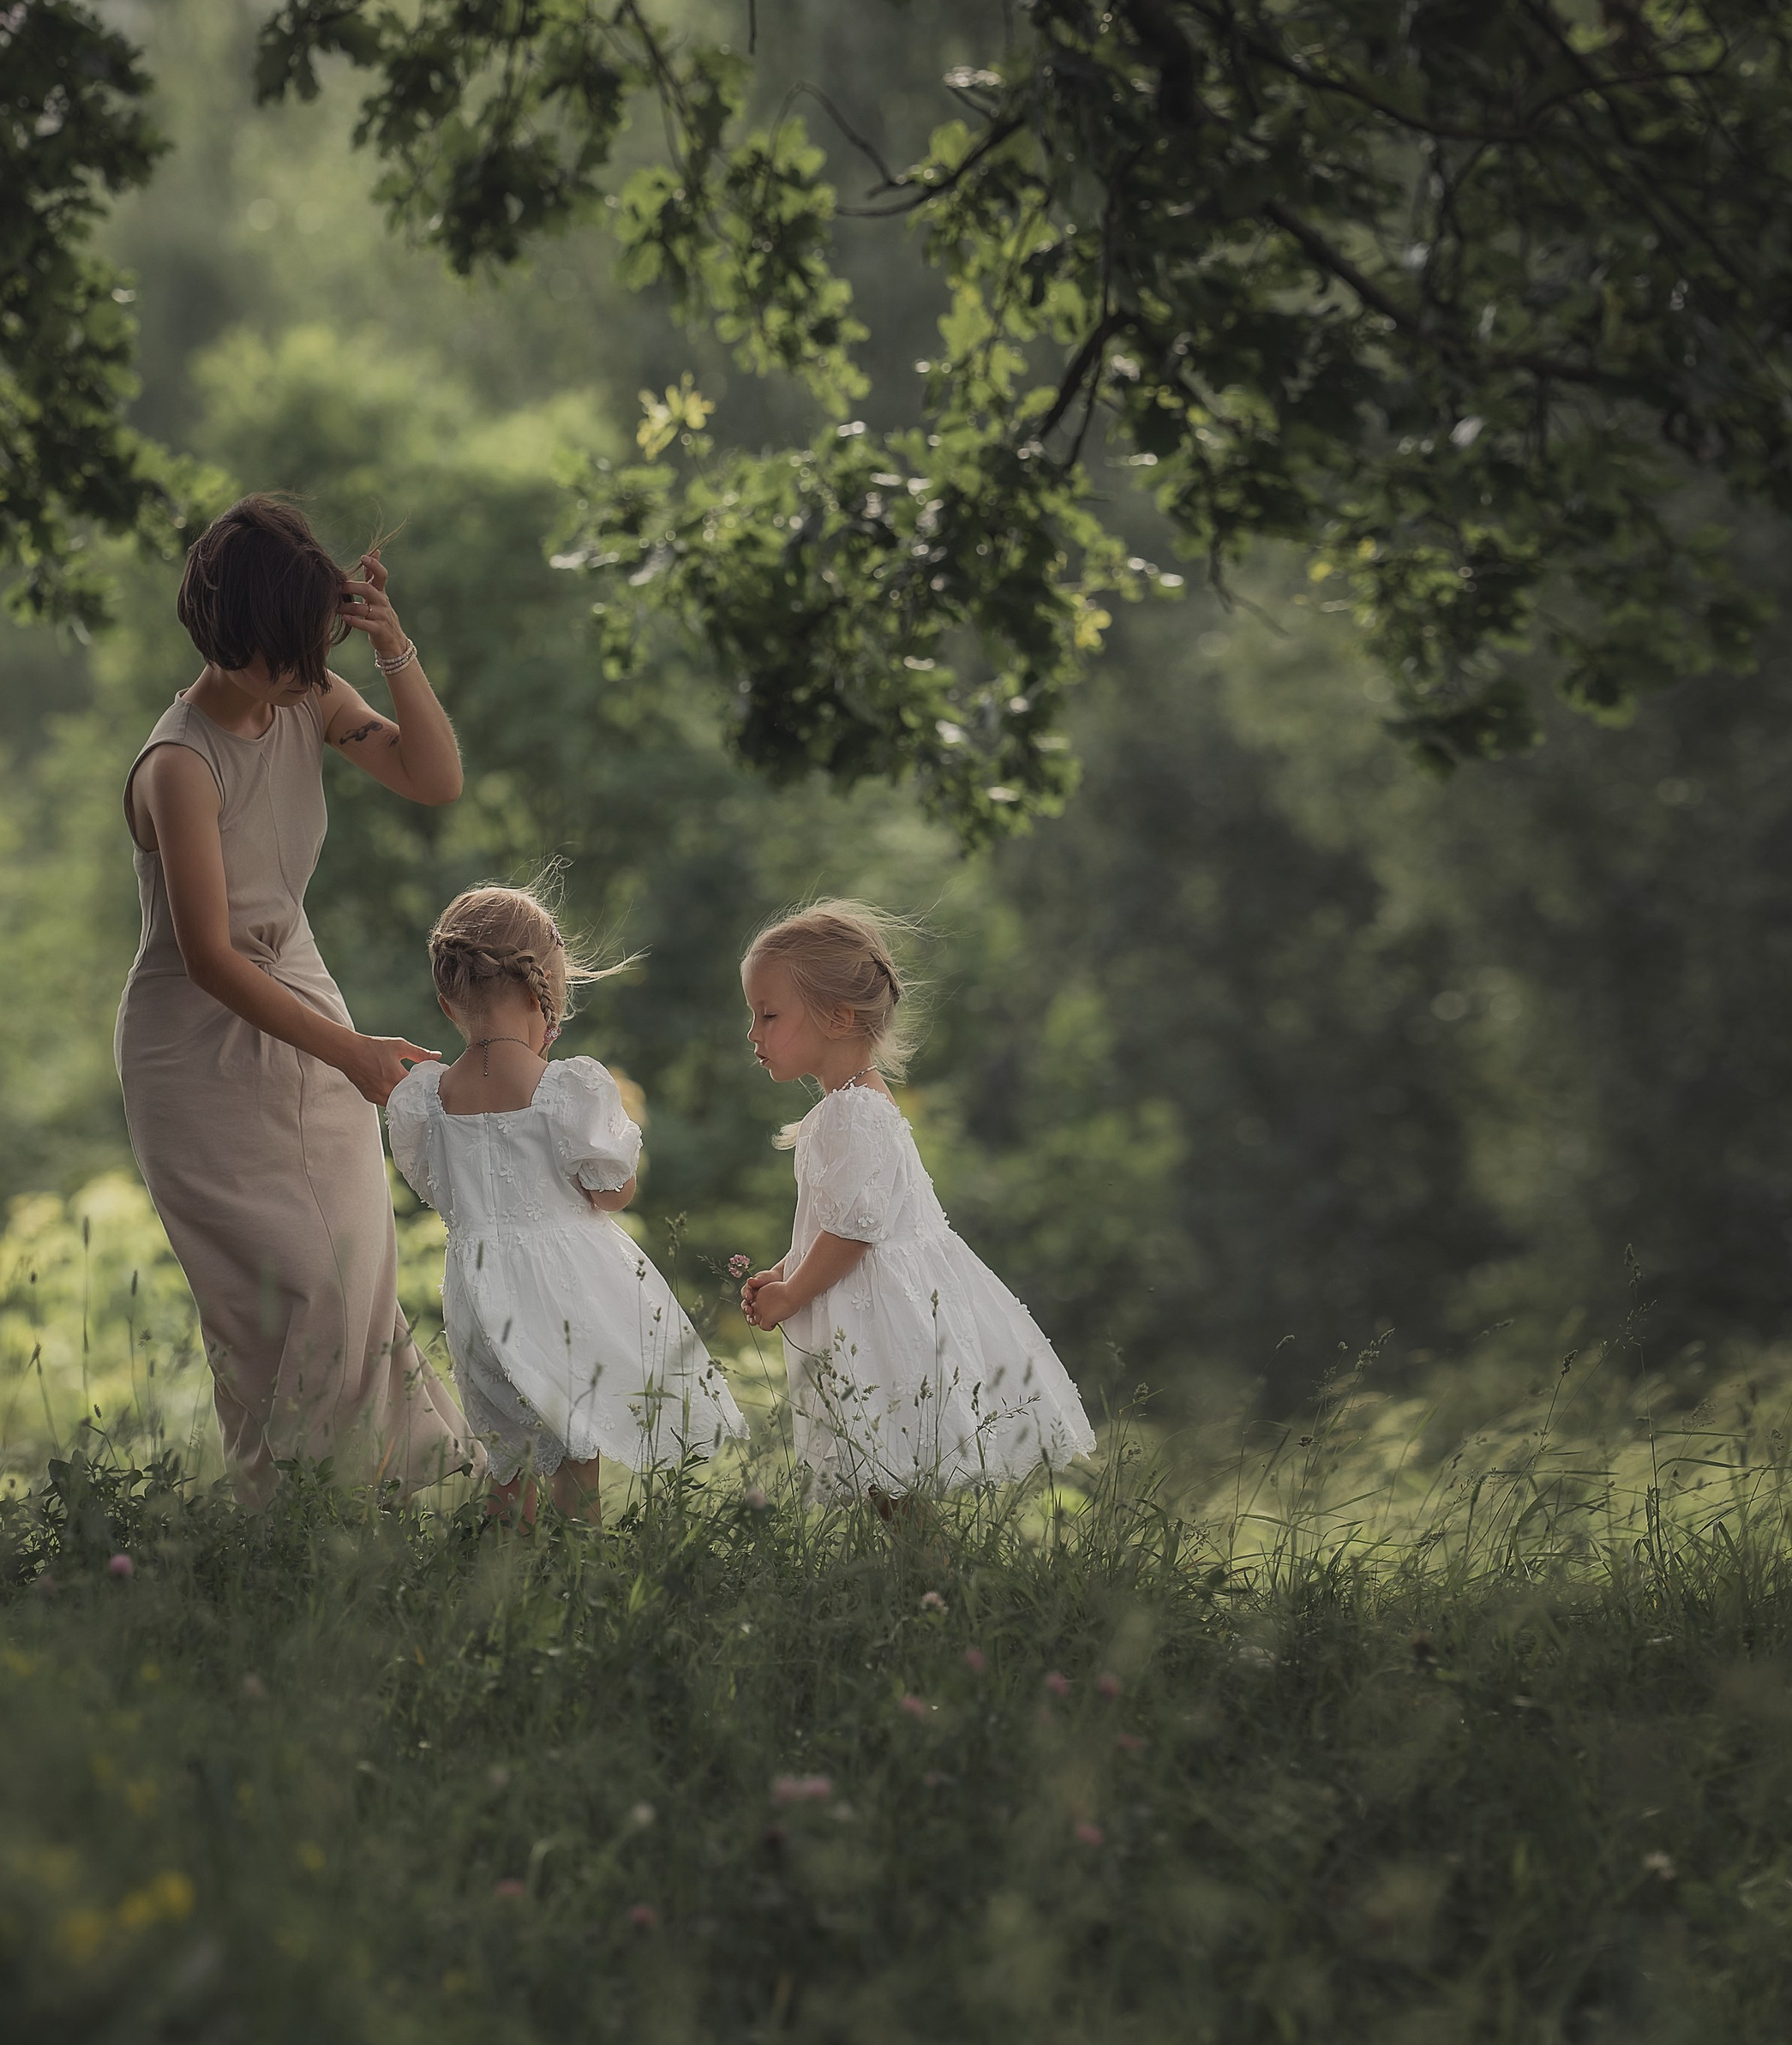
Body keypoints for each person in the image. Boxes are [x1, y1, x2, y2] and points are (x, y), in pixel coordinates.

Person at [117, 494, 470, 1504]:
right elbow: (209, 957)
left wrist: (393, 648)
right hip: (199, 1047)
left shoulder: (308, 701)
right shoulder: (180, 765)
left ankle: (359, 1513)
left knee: (352, 1278)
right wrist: (349, 1051)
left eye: (316, 652)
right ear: (228, 637)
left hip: (304, 1000)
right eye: (288, 655)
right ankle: (284, 1519)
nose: (306, 675)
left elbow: (434, 779)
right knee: (281, 1297)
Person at [386, 880, 746, 1523]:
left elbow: (435, 1189)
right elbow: (611, 1191)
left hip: (474, 1294)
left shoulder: (427, 1098)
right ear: (543, 992)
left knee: (510, 1452)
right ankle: (579, 1563)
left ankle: (503, 1564)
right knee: (577, 1450)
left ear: (447, 1003)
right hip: (560, 1292)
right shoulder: (564, 1088)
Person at [738, 900, 1094, 1503]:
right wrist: (785, 1268)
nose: (754, 1033)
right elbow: (842, 1218)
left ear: (837, 1017)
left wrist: (794, 1293)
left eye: (769, 1014)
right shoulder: (851, 1103)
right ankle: (918, 1561)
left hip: (881, 1314)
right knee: (885, 1484)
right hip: (876, 1297)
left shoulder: (853, 1112)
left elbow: (855, 1232)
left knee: (888, 1476)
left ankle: (926, 1562)